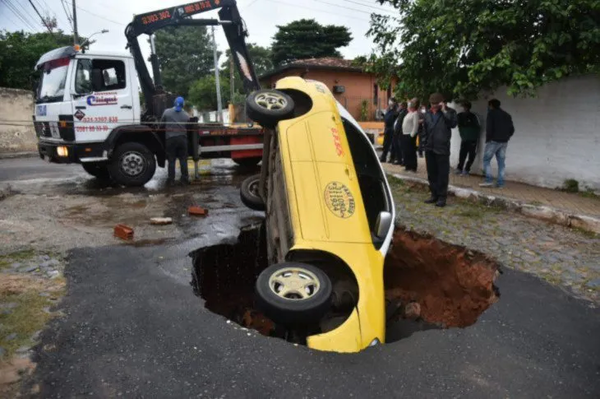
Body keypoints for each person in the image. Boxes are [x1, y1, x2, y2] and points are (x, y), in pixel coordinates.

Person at [422, 93, 457, 207]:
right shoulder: (427, 114)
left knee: (442, 174)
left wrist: (444, 111)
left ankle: (442, 197)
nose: (434, 106)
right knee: (432, 173)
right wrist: (424, 144)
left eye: (436, 104)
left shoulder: (450, 113)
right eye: (432, 104)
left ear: (442, 103)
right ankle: (434, 195)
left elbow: (452, 124)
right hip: (430, 148)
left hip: (442, 149)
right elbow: (424, 131)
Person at [480, 99, 514, 188]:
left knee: (486, 160)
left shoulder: (491, 114)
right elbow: (512, 129)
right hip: (504, 141)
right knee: (501, 162)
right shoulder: (507, 115)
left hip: (493, 141)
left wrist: (488, 139)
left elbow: (489, 128)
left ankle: (488, 180)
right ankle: (500, 183)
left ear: (491, 105)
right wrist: (507, 137)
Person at [161, 96, 191, 185]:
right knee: (183, 159)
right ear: (183, 105)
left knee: (171, 160)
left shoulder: (167, 112)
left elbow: (161, 125)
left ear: (174, 103)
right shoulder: (186, 115)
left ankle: (171, 180)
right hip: (182, 140)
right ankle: (184, 179)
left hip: (170, 140)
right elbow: (188, 126)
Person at [455, 101, 481, 175]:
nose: (464, 108)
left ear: (468, 107)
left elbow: (478, 127)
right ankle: (459, 168)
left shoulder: (474, 116)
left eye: (465, 107)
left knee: (471, 155)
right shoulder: (459, 116)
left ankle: (466, 169)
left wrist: (473, 135)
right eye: (463, 107)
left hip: (472, 139)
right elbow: (456, 124)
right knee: (462, 154)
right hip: (465, 139)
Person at [401, 98, 420, 172]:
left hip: (410, 135)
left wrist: (411, 135)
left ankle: (413, 167)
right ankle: (407, 166)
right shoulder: (409, 113)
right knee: (406, 152)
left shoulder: (415, 114)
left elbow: (415, 126)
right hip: (405, 134)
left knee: (411, 151)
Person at [379, 98, 399, 163]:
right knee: (385, 144)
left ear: (394, 102)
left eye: (391, 101)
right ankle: (383, 157)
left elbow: (394, 118)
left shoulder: (395, 110)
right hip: (387, 128)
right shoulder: (388, 110)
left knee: (392, 144)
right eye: (389, 101)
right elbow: (387, 118)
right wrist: (383, 115)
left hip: (392, 129)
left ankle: (392, 158)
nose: (389, 102)